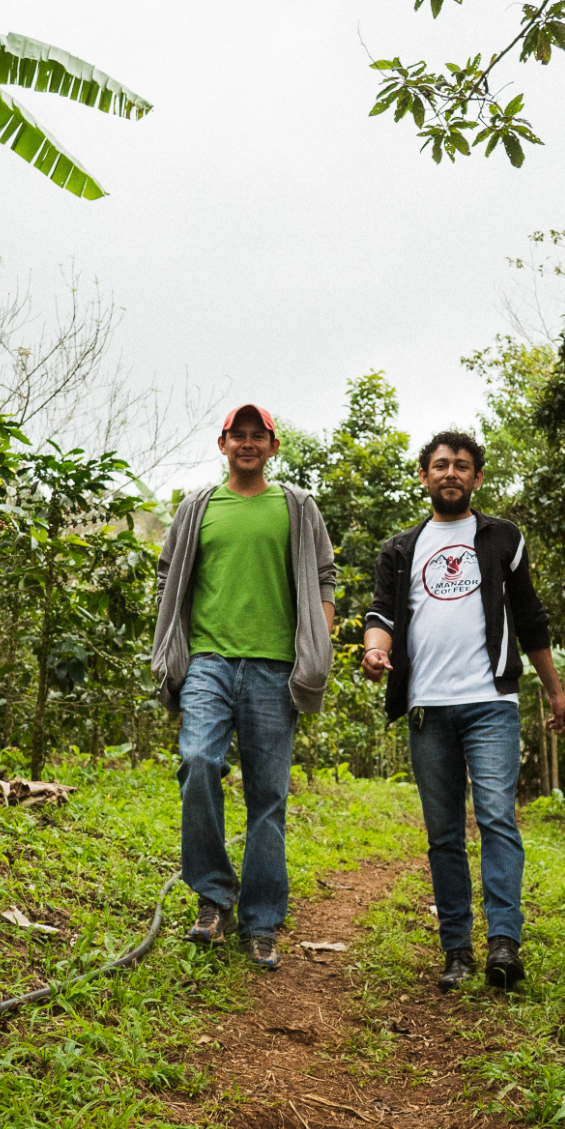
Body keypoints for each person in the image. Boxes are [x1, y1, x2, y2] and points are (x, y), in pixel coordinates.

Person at [361, 429, 565, 991]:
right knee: (443, 833)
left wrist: (555, 691)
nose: (450, 473)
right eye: (440, 465)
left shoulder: (503, 537)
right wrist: (374, 649)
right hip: (427, 707)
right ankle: (456, 950)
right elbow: (381, 612)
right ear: (424, 476)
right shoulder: (401, 548)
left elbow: (531, 618)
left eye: (461, 465)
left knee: (498, 819)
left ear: (477, 478)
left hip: (491, 703)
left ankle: (504, 941)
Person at [152, 403, 338, 971]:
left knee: (267, 797)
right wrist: (170, 643)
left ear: (274, 447)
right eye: (240, 435)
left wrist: (318, 647)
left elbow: (325, 578)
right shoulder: (198, 507)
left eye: (260, 436)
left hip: (274, 668)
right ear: (222, 443)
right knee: (199, 761)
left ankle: (261, 921)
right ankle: (213, 897)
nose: (249, 444)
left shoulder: (298, 507)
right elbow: (169, 574)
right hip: (208, 660)